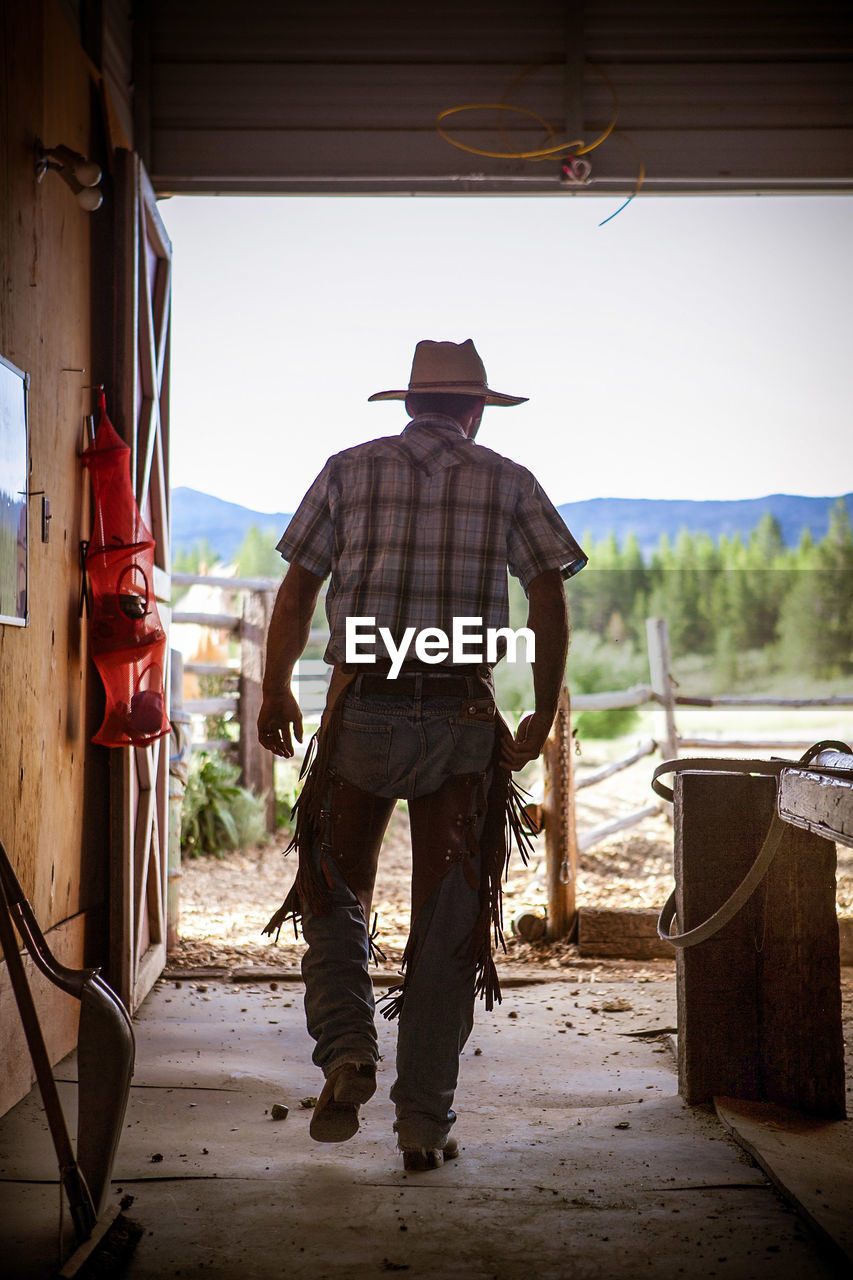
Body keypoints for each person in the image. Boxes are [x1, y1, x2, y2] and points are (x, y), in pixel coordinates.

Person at [257, 339, 586, 1171]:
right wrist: (541, 710)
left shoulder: (345, 469)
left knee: (332, 898)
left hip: (360, 711)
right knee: (448, 929)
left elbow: (297, 588)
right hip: (458, 718)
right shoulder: (508, 480)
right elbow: (546, 596)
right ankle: (422, 1124)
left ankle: (346, 1054)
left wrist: (275, 689)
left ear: (409, 405)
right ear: (473, 410)